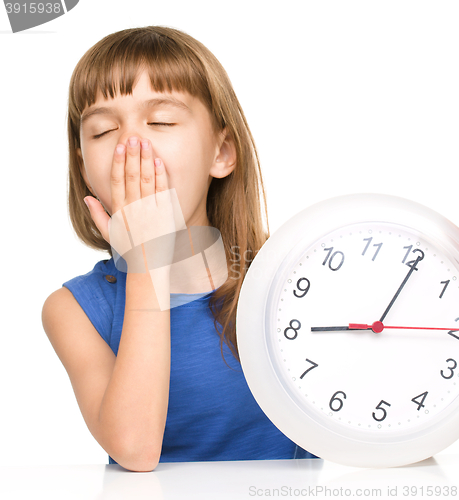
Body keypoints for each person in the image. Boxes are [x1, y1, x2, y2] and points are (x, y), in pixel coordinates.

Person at [41, 25, 317, 472]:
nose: (131, 145)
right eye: (103, 130)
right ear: (84, 166)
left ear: (222, 153)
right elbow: (134, 449)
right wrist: (146, 261)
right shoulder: (74, 310)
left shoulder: (292, 279)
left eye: (161, 122)